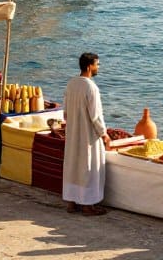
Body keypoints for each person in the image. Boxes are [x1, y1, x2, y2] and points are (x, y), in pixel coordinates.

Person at [63, 52, 110, 216]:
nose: (98, 67)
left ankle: (71, 202)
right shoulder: (91, 87)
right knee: (88, 167)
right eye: (97, 64)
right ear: (90, 66)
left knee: (73, 166)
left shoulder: (71, 84)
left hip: (73, 131)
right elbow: (96, 115)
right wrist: (104, 134)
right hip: (87, 135)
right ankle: (87, 205)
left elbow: (65, 113)